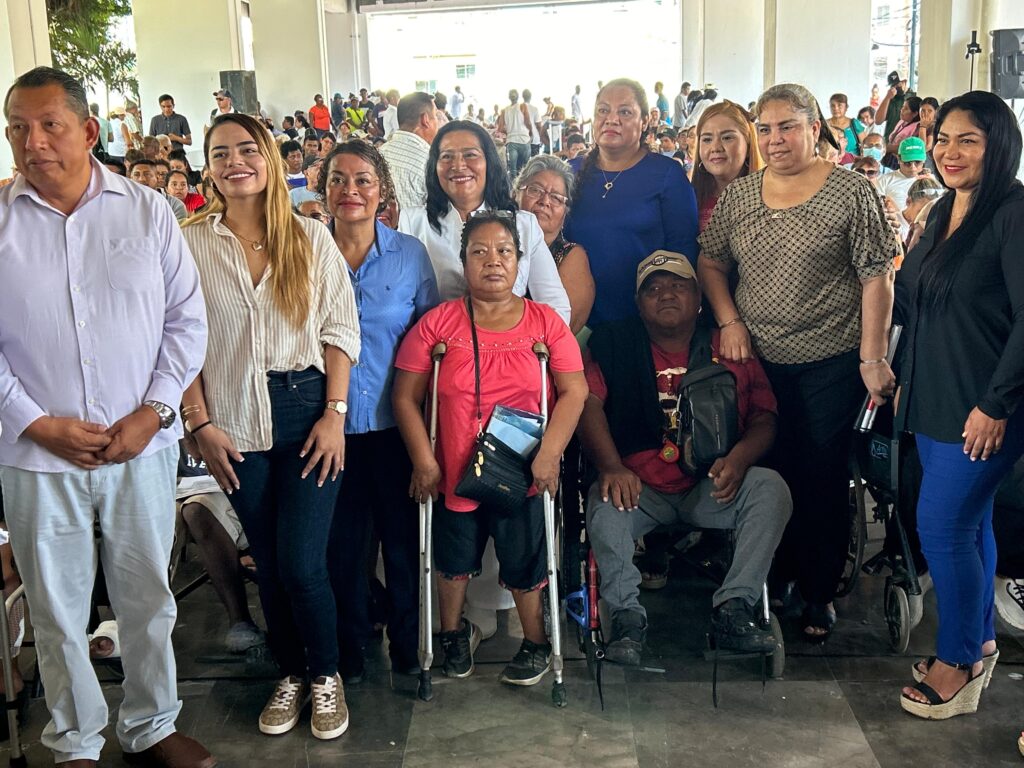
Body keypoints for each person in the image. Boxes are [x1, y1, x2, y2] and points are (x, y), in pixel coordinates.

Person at [0, 65, 214, 768]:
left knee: (148, 595)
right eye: (17, 128)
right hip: (36, 453)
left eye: (49, 125)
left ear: (89, 131)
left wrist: (154, 413)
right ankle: (74, 740)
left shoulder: (146, 212)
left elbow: (186, 321)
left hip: (140, 446)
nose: (32, 142)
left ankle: (152, 725)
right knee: (56, 607)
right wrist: (35, 422)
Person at [180, 113, 360, 740]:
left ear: (271, 159)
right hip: (232, 419)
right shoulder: (191, 244)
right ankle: (291, 672)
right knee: (271, 561)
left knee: (303, 562)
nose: (235, 162)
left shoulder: (310, 236)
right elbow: (178, 340)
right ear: (208, 167)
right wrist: (199, 421)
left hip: (307, 407)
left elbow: (340, 330)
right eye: (220, 153)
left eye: (247, 149)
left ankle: (326, 674)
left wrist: (335, 415)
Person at [698, 83, 898, 642]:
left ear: (814, 128)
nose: (775, 139)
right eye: (765, 129)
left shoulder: (850, 191)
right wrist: (729, 321)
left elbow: (877, 275)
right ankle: (772, 578)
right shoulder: (741, 195)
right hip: (757, 360)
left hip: (831, 362)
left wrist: (872, 356)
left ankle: (818, 590)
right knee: (767, 472)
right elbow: (710, 262)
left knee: (820, 474)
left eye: (787, 126)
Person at [392, 211, 588, 685]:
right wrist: (423, 460)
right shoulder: (438, 324)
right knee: (453, 559)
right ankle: (452, 634)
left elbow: (575, 391)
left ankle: (535, 641)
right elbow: (404, 397)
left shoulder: (545, 324)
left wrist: (550, 454)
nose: (492, 261)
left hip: (523, 469)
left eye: (504, 251)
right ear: (463, 263)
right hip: (453, 468)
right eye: (479, 252)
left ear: (519, 261)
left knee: (524, 557)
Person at [578, 252, 792, 664]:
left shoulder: (729, 346)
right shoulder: (613, 345)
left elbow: (765, 416)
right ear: (638, 304)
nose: (666, 294)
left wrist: (740, 459)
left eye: (678, 285)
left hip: (710, 484)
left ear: (698, 299)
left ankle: (735, 608)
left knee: (771, 488)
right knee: (603, 502)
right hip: (639, 489)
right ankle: (625, 617)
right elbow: (588, 404)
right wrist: (611, 466)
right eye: (653, 289)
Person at [894, 91, 1024, 719]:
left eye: (967, 140)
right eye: (942, 138)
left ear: (999, 145)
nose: (949, 151)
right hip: (936, 397)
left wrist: (996, 404)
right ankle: (981, 640)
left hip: (982, 407)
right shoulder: (947, 207)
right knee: (971, 525)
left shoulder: (1014, 213)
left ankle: (959, 661)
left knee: (942, 529)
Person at [317, 141, 439, 680]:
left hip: (395, 429)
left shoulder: (409, 255)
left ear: (382, 190)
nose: (351, 190)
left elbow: (432, 341)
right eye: (338, 179)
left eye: (363, 180)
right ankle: (351, 651)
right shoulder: (307, 254)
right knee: (343, 550)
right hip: (329, 430)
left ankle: (410, 647)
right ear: (324, 190)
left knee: (404, 544)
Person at [399, 120, 571, 324]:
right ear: (434, 166)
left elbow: (557, 308)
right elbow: (401, 305)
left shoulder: (524, 225)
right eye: (446, 156)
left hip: (510, 340)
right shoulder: (412, 223)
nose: (458, 165)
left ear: (489, 162)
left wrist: (524, 340)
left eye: (470, 155)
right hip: (436, 339)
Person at [563, 78, 699, 327]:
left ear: (645, 121)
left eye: (624, 112)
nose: (611, 119)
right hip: (575, 321)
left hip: (644, 325)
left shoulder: (666, 175)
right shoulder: (569, 172)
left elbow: (683, 254)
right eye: (603, 110)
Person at [177, 443, 264, 653]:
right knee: (192, 511)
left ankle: (241, 620)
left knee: (198, 510)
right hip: (175, 487)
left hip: (236, 481)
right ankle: (124, 621)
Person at [514, 155, 595, 333]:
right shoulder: (495, 242)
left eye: (556, 198)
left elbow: (562, 331)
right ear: (516, 194)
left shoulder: (571, 256)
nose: (545, 201)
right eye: (535, 190)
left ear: (565, 212)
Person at [690, 100, 763, 231]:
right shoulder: (688, 199)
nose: (715, 147)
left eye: (727, 138)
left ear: (748, 145)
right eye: (707, 139)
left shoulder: (769, 200)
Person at [380, 92, 439, 210]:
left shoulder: (379, 153)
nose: (438, 122)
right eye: (436, 116)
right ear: (425, 120)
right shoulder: (430, 161)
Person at [877, 137, 930, 239]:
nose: (913, 167)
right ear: (898, 159)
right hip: (893, 233)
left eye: (917, 162)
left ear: (924, 160)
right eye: (907, 163)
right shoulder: (884, 181)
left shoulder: (931, 182)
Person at [901, 176, 944, 253]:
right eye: (921, 211)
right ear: (908, 201)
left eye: (931, 213)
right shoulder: (893, 223)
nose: (925, 219)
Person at [497, 89, 532, 178]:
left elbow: (500, 128)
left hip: (511, 141)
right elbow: (528, 122)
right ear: (518, 96)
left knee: (513, 171)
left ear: (509, 97)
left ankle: (513, 186)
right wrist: (531, 132)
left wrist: (509, 131)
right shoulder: (523, 106)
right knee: (525, 170)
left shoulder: (504, 110)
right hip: (524, 140)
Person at [885, 96, 923, 160]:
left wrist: (888, 148)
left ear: (915, 113)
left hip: (901, 161)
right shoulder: (902, 121)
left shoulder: (917, 127)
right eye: (902, 107)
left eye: (906, 109)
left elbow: (909, 148)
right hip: (889, 156)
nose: (901, 110)